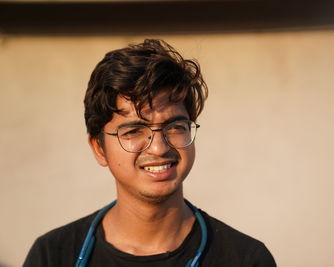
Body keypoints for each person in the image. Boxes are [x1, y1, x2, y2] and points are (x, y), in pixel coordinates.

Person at [23, 39, 276, 267]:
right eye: (134, 130)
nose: (159, 147)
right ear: (99, 149)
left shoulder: (245, 259)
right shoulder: (53, 255)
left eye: (175, 127)